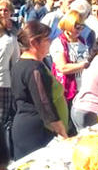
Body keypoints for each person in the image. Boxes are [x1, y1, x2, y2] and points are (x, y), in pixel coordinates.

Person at [10, 21, 68, 158]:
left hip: (24, 126)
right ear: (34, 43)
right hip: (37, 130)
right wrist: (62, 133)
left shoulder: (20, 64)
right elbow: (44, 104)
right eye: (47, 39)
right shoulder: (35, 68)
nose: (50, 42)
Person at [49, 10, 89, 134]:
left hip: (82, 89)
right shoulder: (58, 43)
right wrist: (84, 65)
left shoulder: (82, 40)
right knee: (70, 128)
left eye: (82, 26)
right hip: (67, 91)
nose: (79, 30)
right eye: (76, 26)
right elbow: (63, 68)